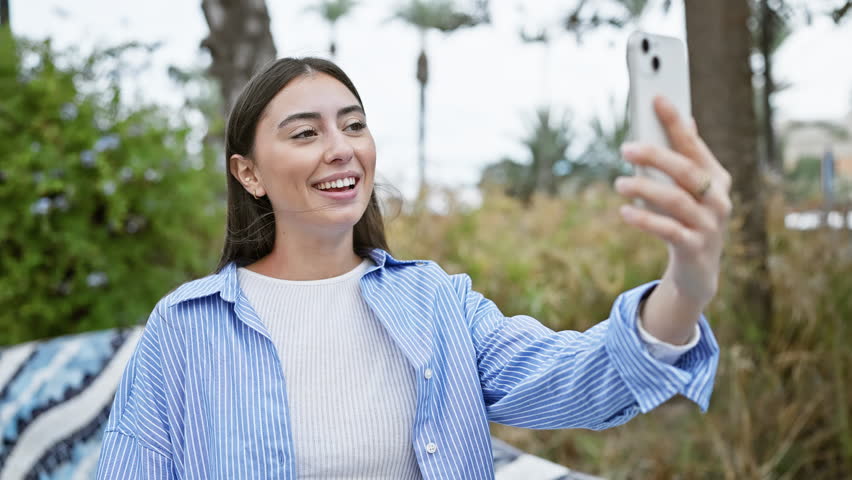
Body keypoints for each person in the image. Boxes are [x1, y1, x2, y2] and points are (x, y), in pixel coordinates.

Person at [95, 57, 730, 479]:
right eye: (305, 133)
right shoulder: (185, 329)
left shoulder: (438, 304)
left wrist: (686, 287)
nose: (342, 148)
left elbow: (586, 381)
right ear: (248, 172)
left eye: (354, 125)